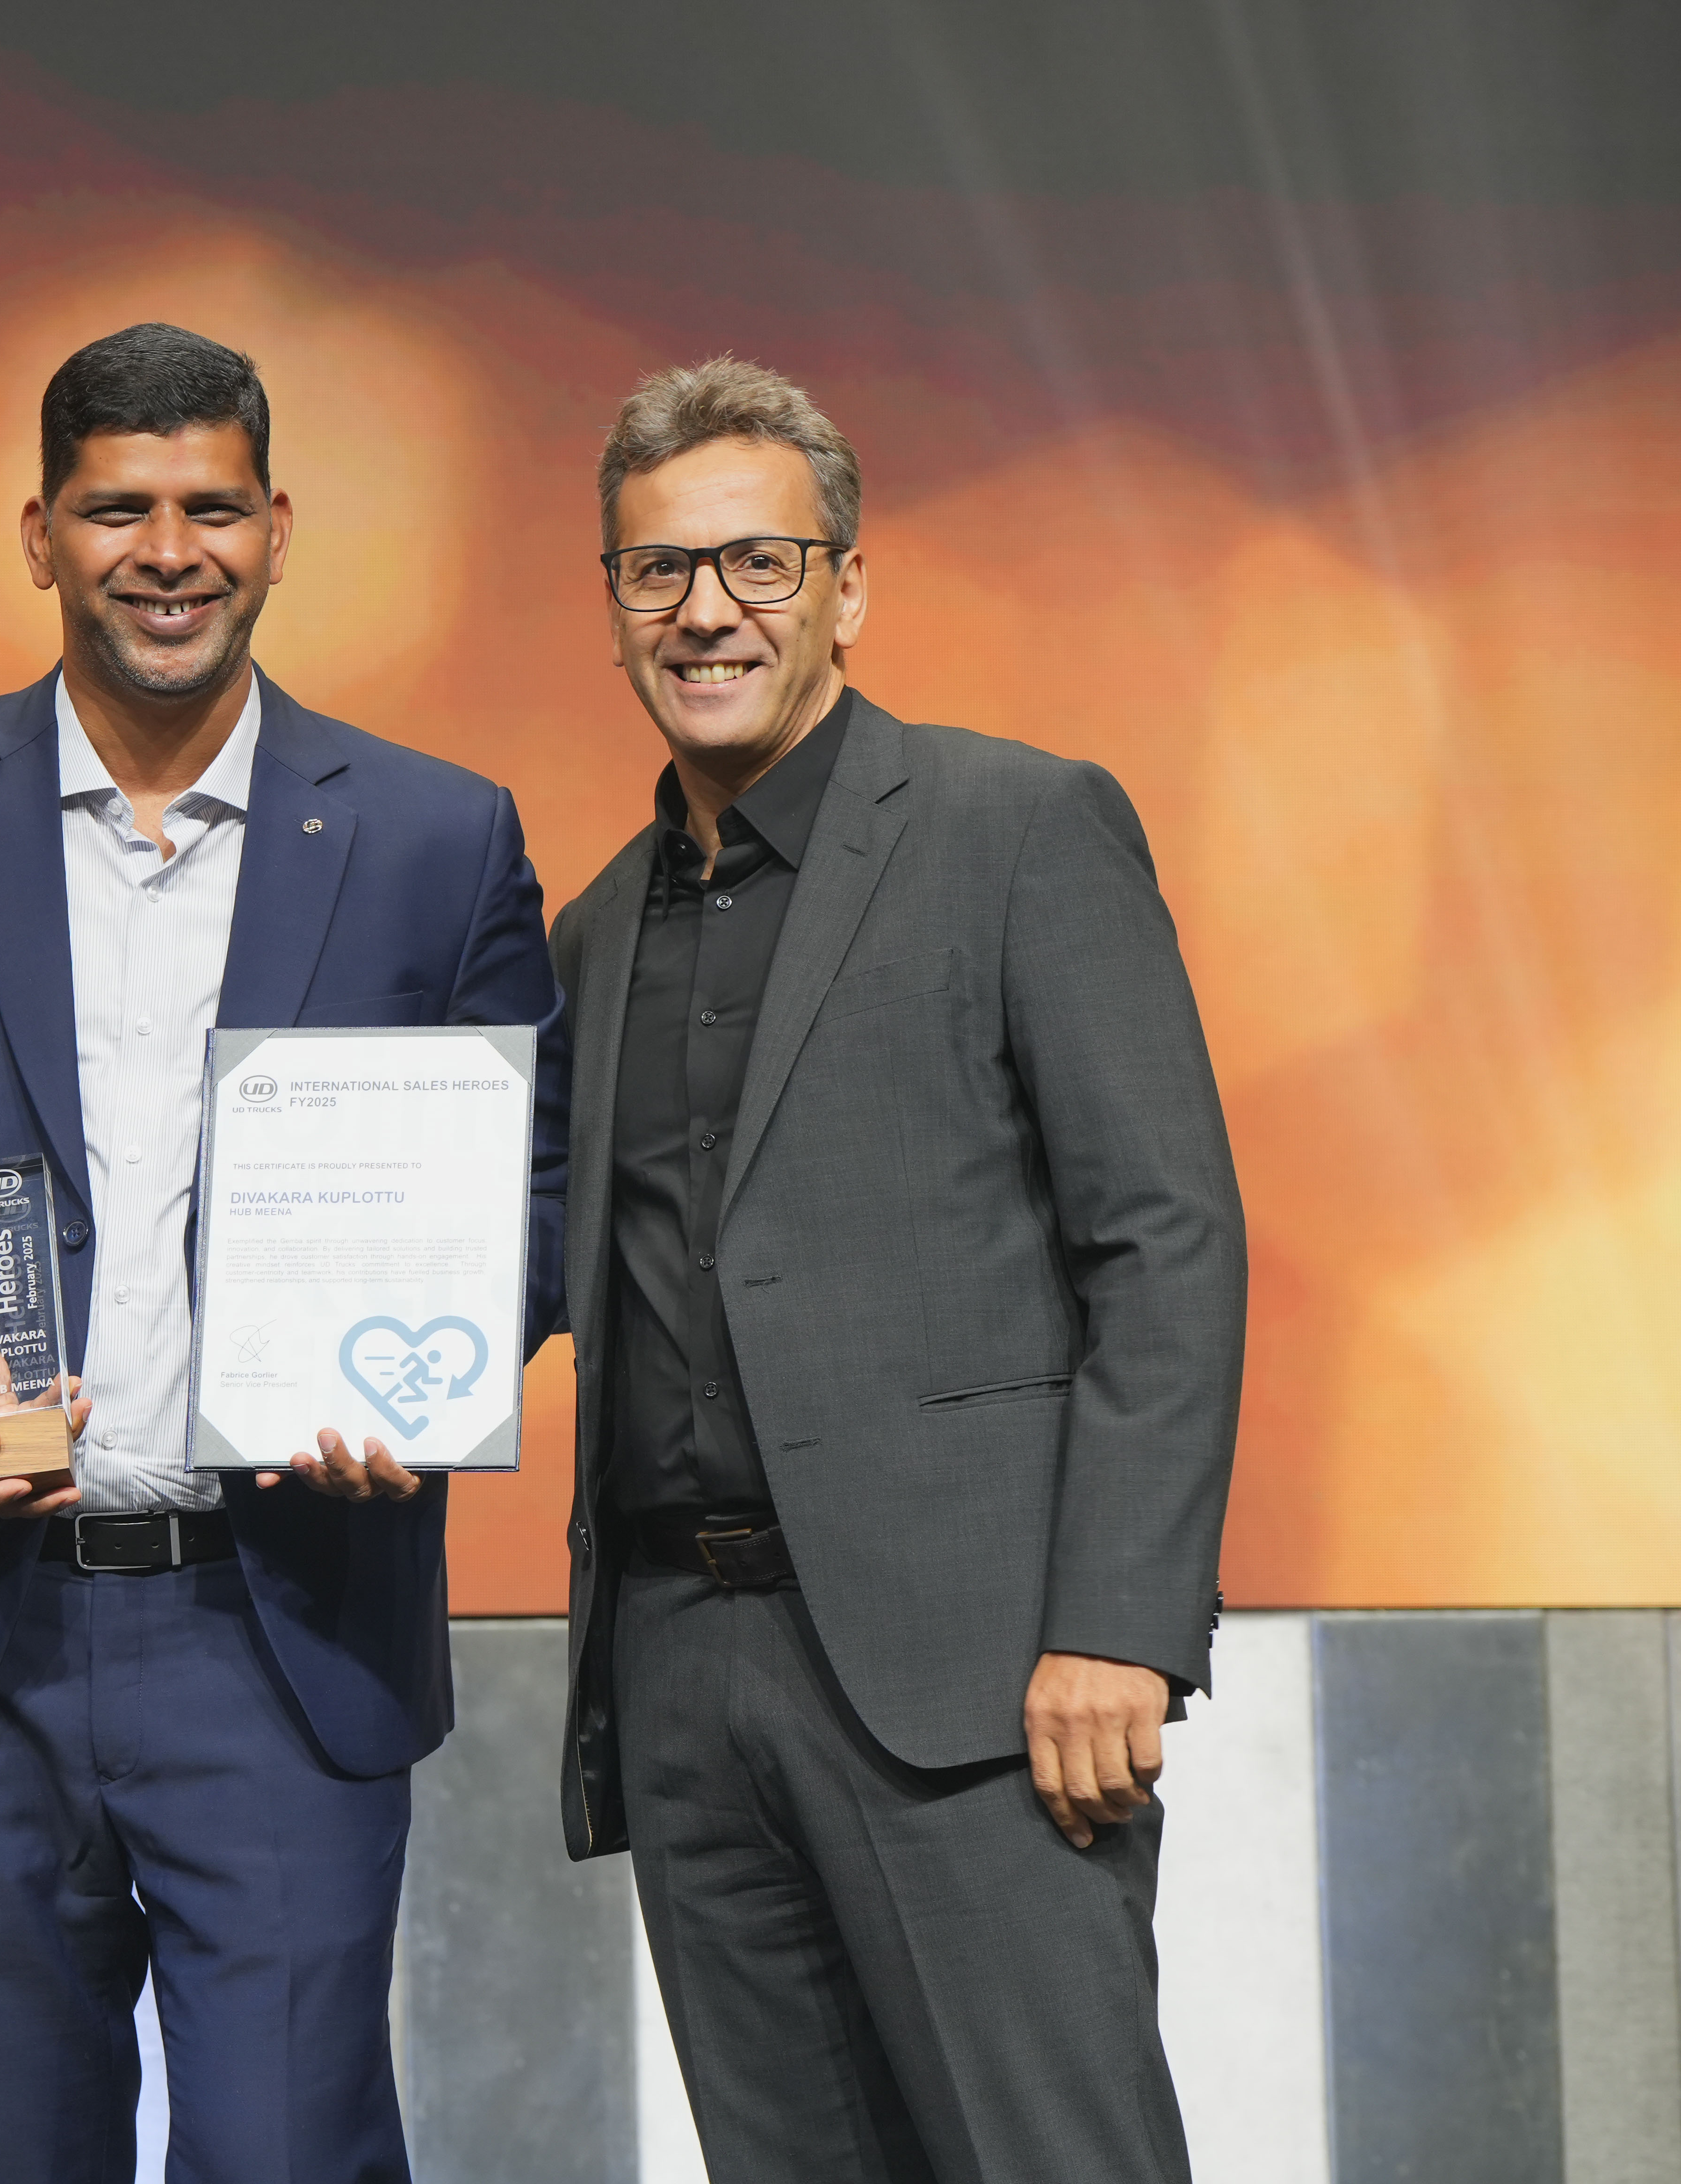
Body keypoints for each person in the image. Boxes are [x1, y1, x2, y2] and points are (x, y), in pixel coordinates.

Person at [0, 323, 568, 2182]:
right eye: (119, 510)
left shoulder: (437, 837)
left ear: (279, 530)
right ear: (39, 534)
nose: (169, 552)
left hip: (280, 1626)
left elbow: (534, 1190)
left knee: (289, 2155)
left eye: (213, 507)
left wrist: (424, 1377)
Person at [550, 356, 1246, 2183]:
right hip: (686, 1677)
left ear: (847, 587)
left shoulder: (1019, 830)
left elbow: (1164, 1238)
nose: (706, 609)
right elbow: (526, 1260)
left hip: (984, 1685)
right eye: (657, 569)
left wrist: (1118, 1626)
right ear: (614, 607)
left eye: (759, 562)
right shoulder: (595, 931)